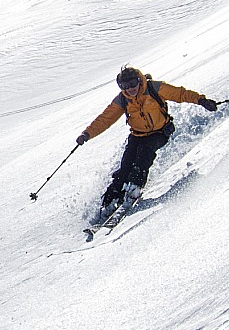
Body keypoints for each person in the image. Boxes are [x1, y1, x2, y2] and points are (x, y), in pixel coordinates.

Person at [76, 66, 218, 217]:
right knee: (125, 167)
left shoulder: (154, 88)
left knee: (143, 155)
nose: (130, 89)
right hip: (137, 135)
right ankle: (109, 202)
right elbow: (105, 119)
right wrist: (87, 134)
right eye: (125, 86)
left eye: (132, 84)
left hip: (159, 132)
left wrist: (201, 100)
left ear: (139, 80)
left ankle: (135, 188)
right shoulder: (123, 99)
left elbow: (180, 94)